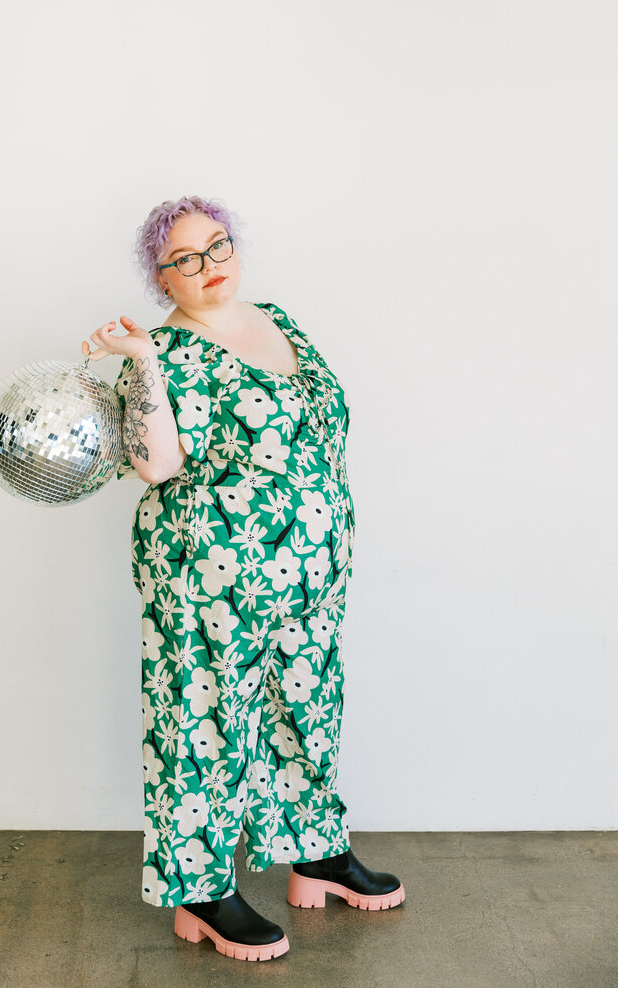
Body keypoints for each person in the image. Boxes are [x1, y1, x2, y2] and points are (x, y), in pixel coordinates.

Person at [81, 195, 404, 963]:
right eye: (185, 260)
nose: (209, 266)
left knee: (309, 700)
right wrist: (145, 364)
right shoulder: (165, 351)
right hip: (210, 571)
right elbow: (156, 464)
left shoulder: (278, 320)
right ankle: (199, 888)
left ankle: (316, 849)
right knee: (203, 720)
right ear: (161, 278)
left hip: (311, 571)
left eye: (217, 246)